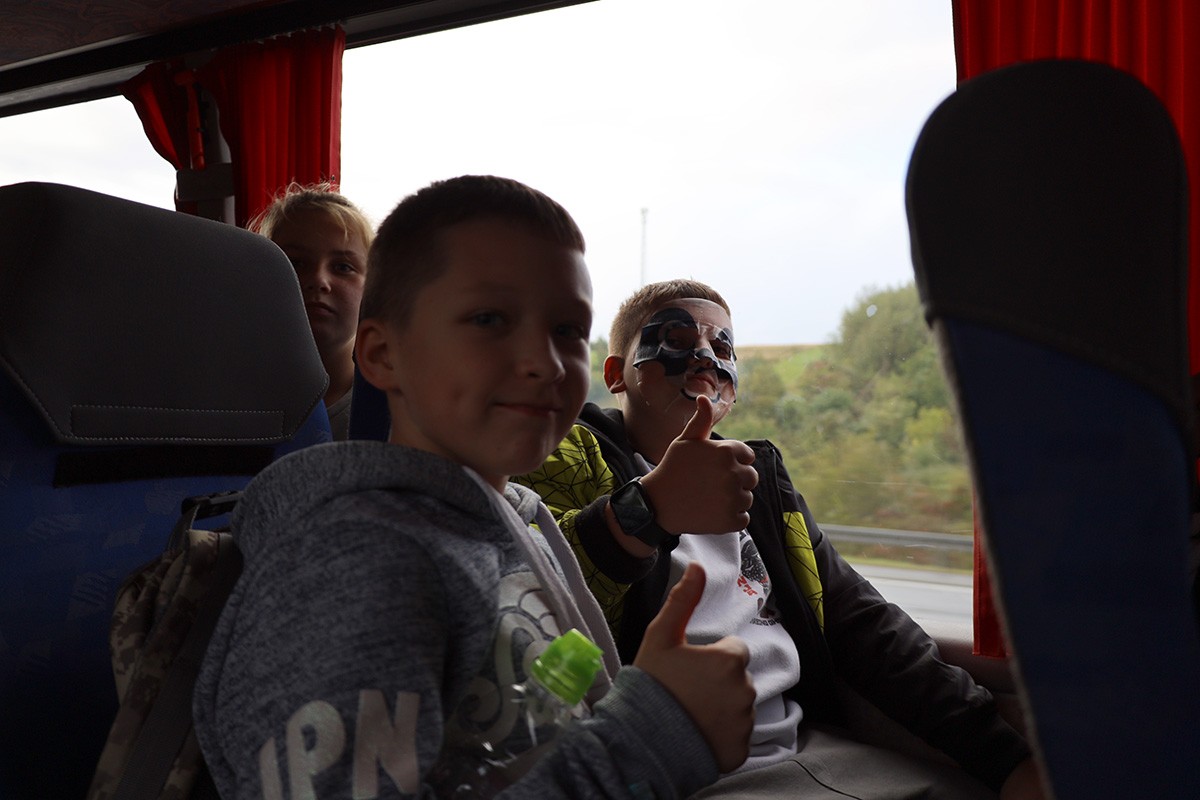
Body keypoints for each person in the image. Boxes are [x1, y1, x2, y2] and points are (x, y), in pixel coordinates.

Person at [193, 178, 756, 799]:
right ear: (382, 355)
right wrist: (652, 736)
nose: (544, 361)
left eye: (568, 330)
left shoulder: (522, 520)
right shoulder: (348, 567)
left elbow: (534, 728)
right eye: (490, 319)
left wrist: (637, 703)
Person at [515, 279, 1047, 799]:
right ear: (616, 374)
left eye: (723, 348)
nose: (706, 357)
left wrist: (1006, 759)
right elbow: (529, 593)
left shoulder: (762, 486)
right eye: (675, 340)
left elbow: (860, 621)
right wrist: (647, 509)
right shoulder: (564, 455)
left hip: (809, 746)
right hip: (677, 771)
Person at [250, 183, 374, 440]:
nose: (319, 280)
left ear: (372, 287)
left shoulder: (395, 409)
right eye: (295, 263)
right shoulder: (232, 395)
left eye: (343, 267)